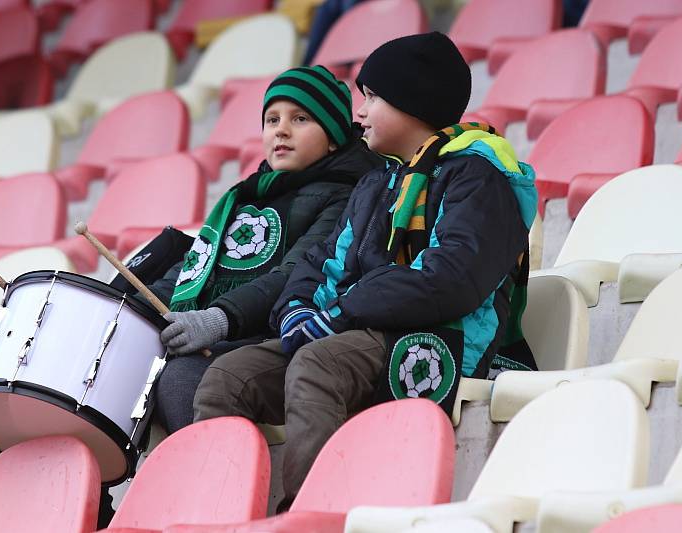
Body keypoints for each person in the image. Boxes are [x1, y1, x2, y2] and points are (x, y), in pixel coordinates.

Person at [192, 31, 538, 508]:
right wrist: (296, 309)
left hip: (443, 335)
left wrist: (339, 315)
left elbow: (449, 280)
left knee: (318, 364)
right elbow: (323, 263)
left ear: (413, 103)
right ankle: (214, 511)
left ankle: (313, 514)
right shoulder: (378, 181)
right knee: (230, 375)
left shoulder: (479, 179)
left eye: (372, 98)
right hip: (362, 328)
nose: (360, 112)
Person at [151, 65, 384, 435]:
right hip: (234, 330)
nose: (282, 130)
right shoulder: (247, 195)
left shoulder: (348, 194)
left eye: (301, 118)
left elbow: (294, 274)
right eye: (272, 119)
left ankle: (212, 489)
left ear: (335, 137)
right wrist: (132, 306)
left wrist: (218, 319)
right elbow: (193, 267)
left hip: (281, 333)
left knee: (181, 377)